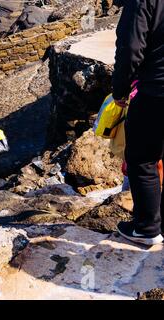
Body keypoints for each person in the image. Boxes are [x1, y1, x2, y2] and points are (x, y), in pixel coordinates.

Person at [113, 0, 164, 245]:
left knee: (142, 159)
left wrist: (120, 89)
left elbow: (131, 47)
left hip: (157, 92)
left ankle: (147, 228)